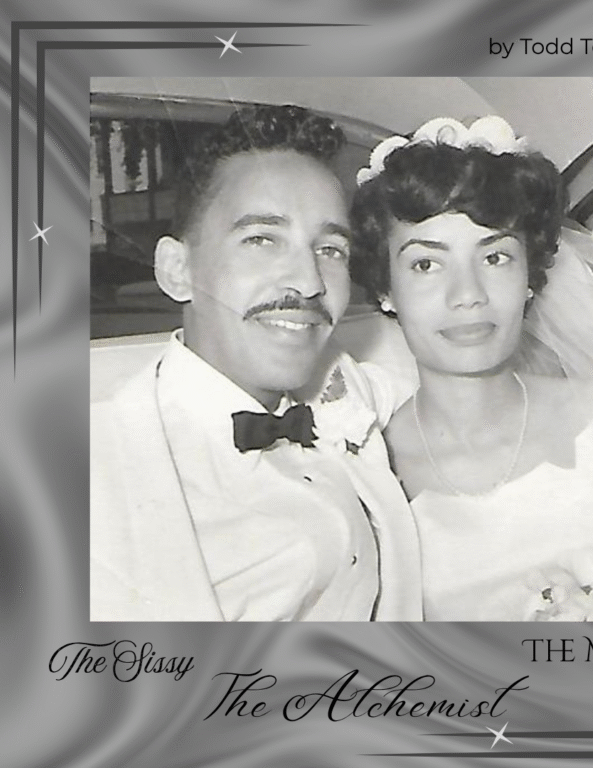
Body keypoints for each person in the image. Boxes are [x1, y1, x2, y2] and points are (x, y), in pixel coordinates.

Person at [90, 104, 422, 622]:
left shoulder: (345, 387)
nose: (310, 282)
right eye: (262, 239)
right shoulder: (96, 472)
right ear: (177, 271)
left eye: (330, 249)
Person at [350, 116, 593, 621]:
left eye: (496, 258)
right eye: (426, 264)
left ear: (530, 275)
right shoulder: (366, 473)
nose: (469, 296)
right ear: (384, 289)